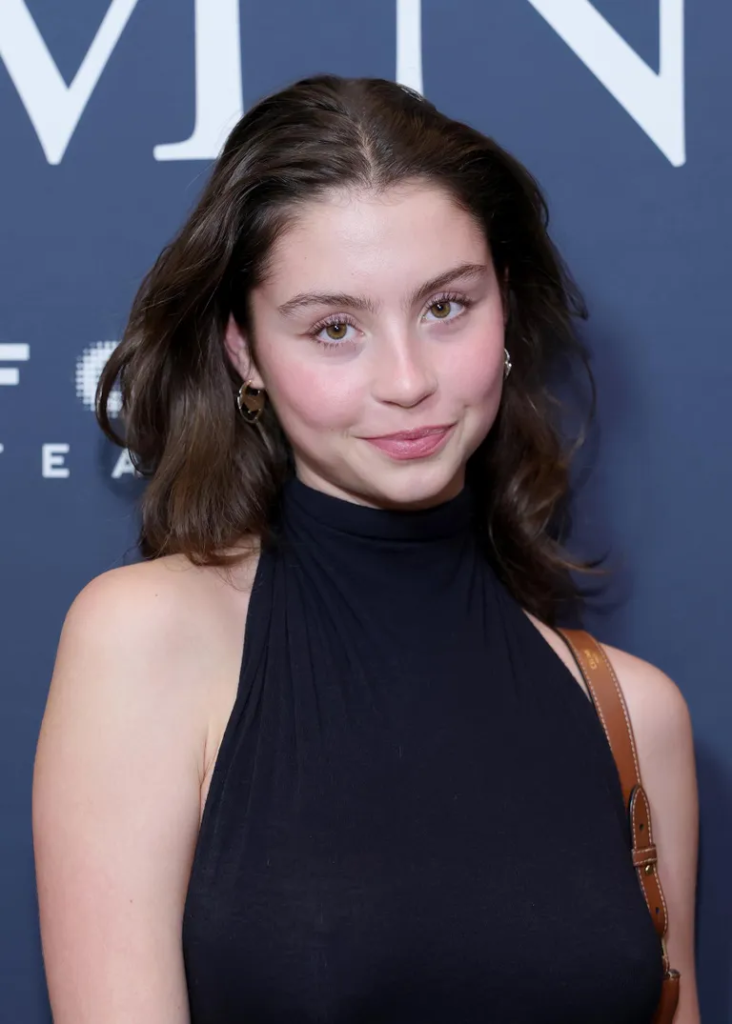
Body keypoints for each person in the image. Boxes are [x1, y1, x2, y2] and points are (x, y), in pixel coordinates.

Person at [32, 74, 700, 1023]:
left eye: (446, 307)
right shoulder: (145, 641)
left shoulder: (634, 715)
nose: (407, 379)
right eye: (334, 328)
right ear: (245, 353)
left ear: (505, 307)